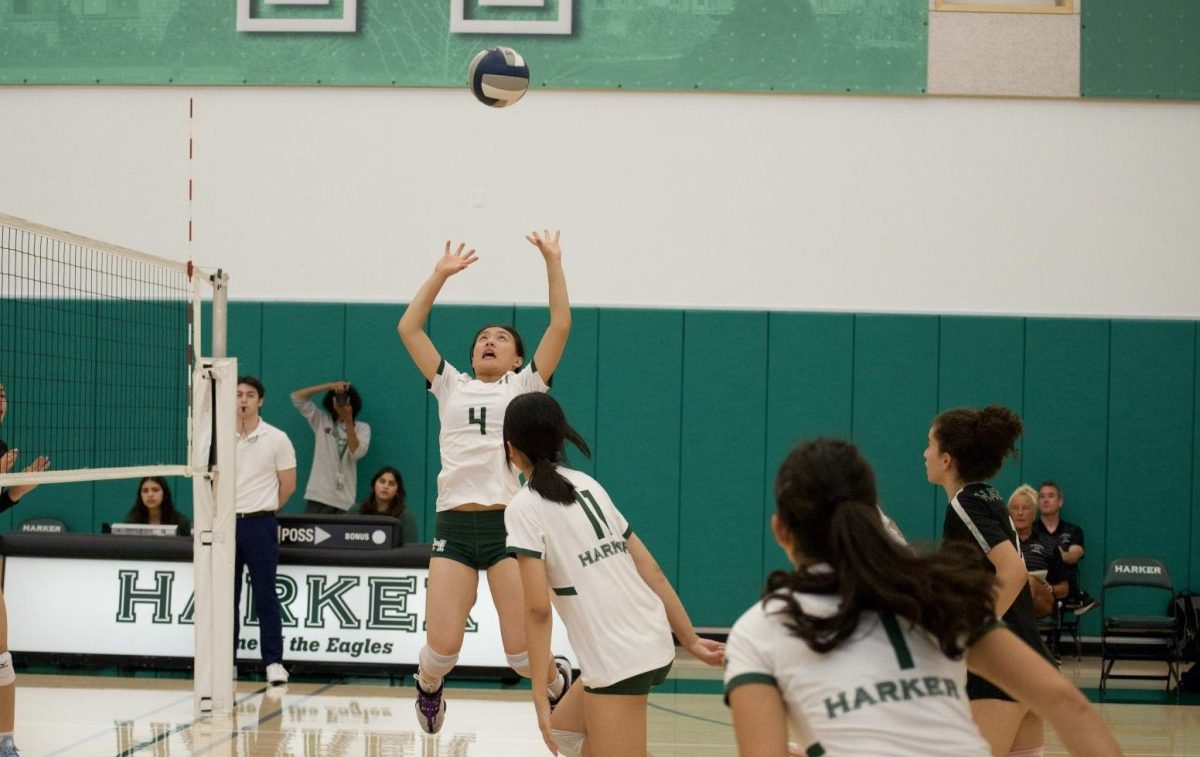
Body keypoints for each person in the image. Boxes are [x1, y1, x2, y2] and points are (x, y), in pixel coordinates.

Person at [725, 438, 1123, 757]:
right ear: (872, 516)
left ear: (781, 530)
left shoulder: (759, 630)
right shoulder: (940, 596)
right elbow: (1068, 705)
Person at [396, 232, 573, 734]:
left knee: (521, 657)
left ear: (518, 358)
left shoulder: (525, 385)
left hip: (508, 528)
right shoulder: (450, 383)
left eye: (501, 338)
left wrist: (553, 261)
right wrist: (440, 274)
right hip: (454, 525)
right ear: (472, 355)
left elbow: (560, 324)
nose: (489, 341)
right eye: (481, 338)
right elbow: (409, 328)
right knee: (442, 651)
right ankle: (428, 688)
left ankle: (554, 680)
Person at [503, 393, 725, 757]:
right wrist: (690, 639)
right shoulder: (588, 485)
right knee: (567, 735)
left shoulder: (523, 507)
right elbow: (650, 569)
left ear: (511, 449)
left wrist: (539, 696)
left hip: (618, 656)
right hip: (650, 636)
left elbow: (538, 611)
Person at [925, 405, 1056, 756]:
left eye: (929, 444)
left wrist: (971, 636)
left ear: (947, 459)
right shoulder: (991, 497)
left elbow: (1012, 572)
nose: (925, 454)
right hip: (1027, 657)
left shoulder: (965, 504)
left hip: (999, 667)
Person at [234, 376, 297, 686]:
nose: (243, 399)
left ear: (259, 400)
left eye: (249, 395)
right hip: (224, 527)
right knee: (224, 598)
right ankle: (223, 663)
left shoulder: (277, 438)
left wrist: (265, 507)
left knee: (266, 596)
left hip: (260, 524)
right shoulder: (216, 437)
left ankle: (273, 662)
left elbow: (288, 485)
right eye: (238, 395)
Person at [0, 380, 50, 757]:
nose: (0, 401)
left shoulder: (2, 449)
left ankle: (5, 742)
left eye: (2, 395)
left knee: (1, 657)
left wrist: (18, 491)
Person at [289, 380, 370, 515]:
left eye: (344, 399)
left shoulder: (363, 428)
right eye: (337, 399)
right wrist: (328, 386)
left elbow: (356, 453)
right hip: (318, 495)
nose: (340, 402)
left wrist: (348, 420)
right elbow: (296, 397)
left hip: (344, 500)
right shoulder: (322, 420)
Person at [1035, 481, 1096, 615]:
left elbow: (1073, 557)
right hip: (1039, 582)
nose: (1045, 500)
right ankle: (1079, 595)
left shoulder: (1073, 530)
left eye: (1050, 496)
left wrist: (1051, 553)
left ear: (1060, 501)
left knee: (1059, 558)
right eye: (1042, 496)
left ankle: (1067, 592)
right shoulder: (1030, 529)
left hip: (1063, 582)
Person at [1008, 485, 1067, 618]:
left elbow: (1064, 588)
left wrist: (1051, 588)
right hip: (1008, 595)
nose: (1020, 513)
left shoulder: (1049, 544)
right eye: (1015, 508)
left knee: (1030, 581)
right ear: (1009, 514)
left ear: (1034, 514)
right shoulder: (1000, 543)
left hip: (1041, 599)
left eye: (1025, 508)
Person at [354, 465, 419, 544]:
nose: (385, 486)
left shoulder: (405, 517)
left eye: (391, 484)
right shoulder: (356, 510)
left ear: (397, 491)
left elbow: (411, 549)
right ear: (374, 485)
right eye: (382, 481)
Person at [124, 476, 191, 537]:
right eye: (145, 491)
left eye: (155, 490)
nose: (150, 494)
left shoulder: (181, 523)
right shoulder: (131, 522)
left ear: (164, 493)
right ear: (140, 495)